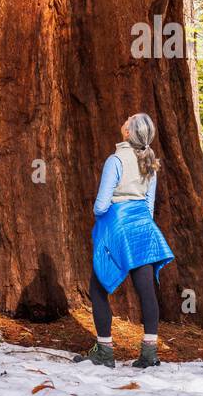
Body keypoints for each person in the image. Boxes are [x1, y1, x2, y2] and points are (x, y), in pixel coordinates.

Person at [74, 113, 174, 369]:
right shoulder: (151, 160)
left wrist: (106, 215)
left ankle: (105, 352)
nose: (125, 119)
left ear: (128, 133)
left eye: (129, 120)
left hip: (118, 227)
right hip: (143, 228)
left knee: (98, 289)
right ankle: (149, 353)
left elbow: (100, 205)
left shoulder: (115, 160)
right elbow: (149, 205)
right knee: (147, 291)